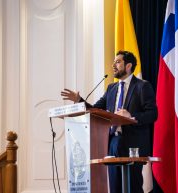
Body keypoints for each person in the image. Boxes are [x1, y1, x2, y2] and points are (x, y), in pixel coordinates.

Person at [61, 50, 157, 193]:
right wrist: (79, 101)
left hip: (133, 145)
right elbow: (95, 109)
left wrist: (131, 116)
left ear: (129, 65)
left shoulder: (142, 86)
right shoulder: (112, 88)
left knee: (133, 186)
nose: (113, 65)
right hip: (113, 142)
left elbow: (152, 114)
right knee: (115, 186)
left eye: (118, 62)